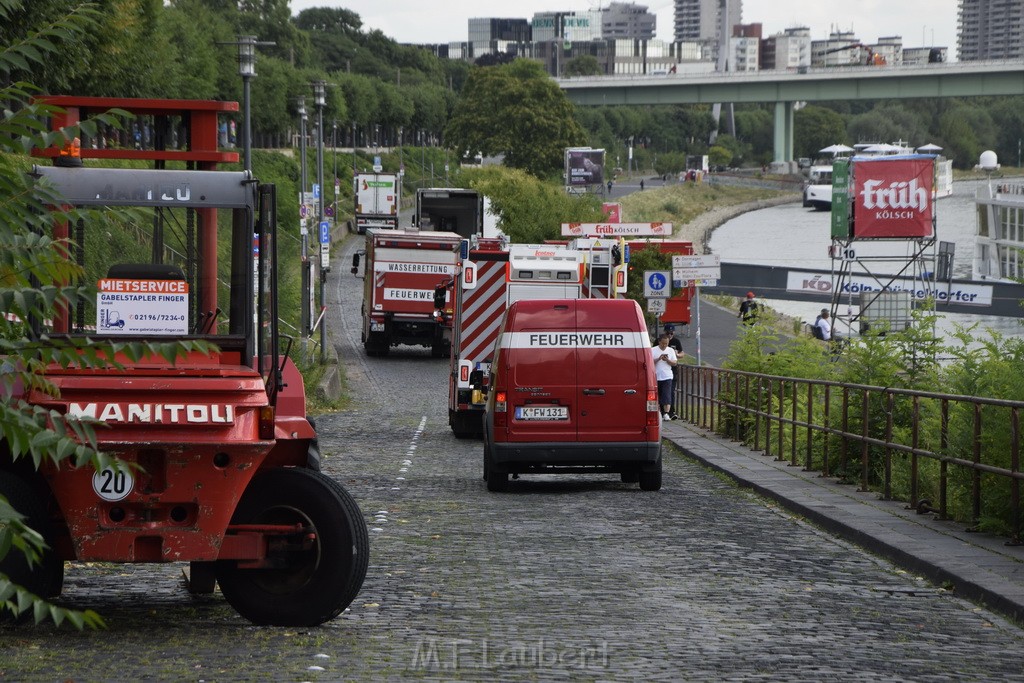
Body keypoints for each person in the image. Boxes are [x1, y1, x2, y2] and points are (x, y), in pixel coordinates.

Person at [651, 334, 677, 421]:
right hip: (656, 376)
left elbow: (674, 363)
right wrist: (658, 358)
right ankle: (658, 412)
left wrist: (667, 360)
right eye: (663, 343)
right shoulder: (653, 350)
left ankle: (666, 413)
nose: (664, 345)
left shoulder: (671, 350)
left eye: (666, 343)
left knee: (667, 395)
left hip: (667, 376)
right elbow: (650, 362)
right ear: (659, 342)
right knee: (657, 395)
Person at [664, 325, 683, 419]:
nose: (670, 335)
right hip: (662, 371)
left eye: (671, 333)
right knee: (662, 392)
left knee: (671, 392)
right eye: (668, 333)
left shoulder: (676, 341)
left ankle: (671, 412)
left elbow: (682, 353)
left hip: (672, 371)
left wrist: (677, 355)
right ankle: (663, 411)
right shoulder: (660, 340)